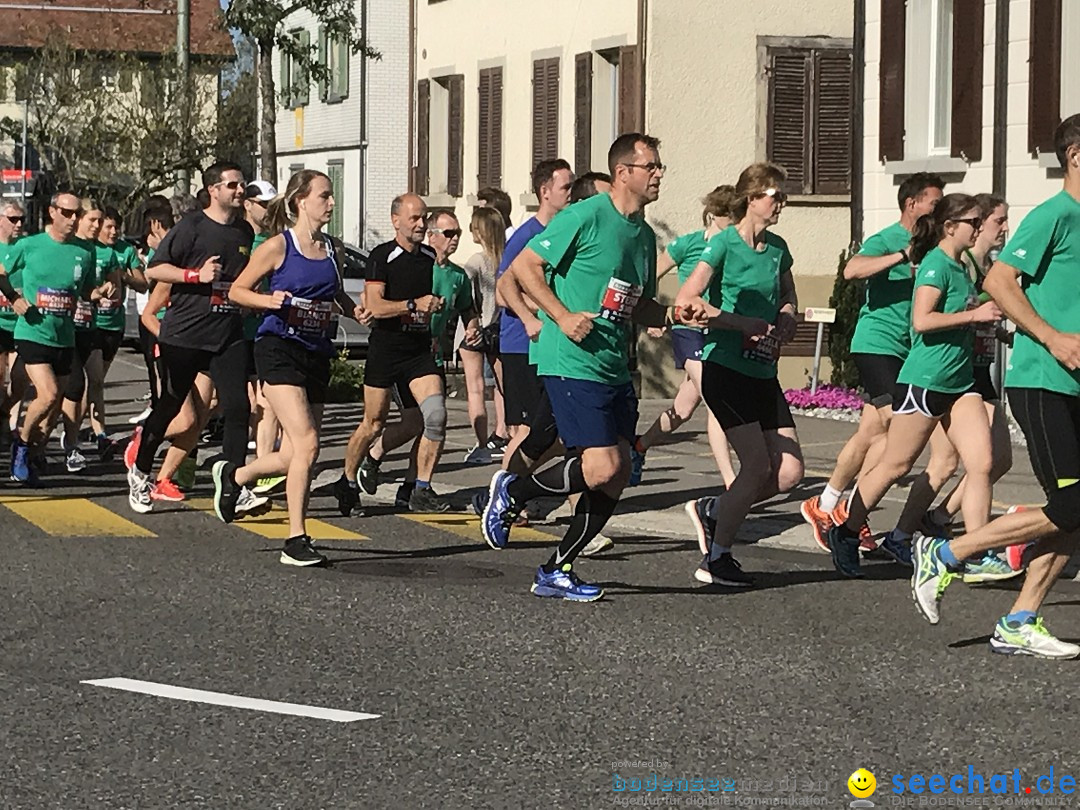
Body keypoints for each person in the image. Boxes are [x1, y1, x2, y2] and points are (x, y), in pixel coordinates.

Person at [481, 133, 690, 601]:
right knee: (601, 466)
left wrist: (676, 316)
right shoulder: (586, 215)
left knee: (617, 473)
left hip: (613, 363)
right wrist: (559, 315)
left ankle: (556, 569)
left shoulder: (642, 234)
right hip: (570, 359)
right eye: (651, 166)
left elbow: (636, 305)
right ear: (624, 173)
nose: (658, 174)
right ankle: (514, 493)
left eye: (660, 167)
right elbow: (524, 269)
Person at [910, 115, 1080, 659]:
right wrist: (1052, 336)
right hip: (1044, 379)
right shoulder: (1054, 216)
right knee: (1074, 504)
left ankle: (1019, 621)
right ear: (1075, 155)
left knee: (1077, 514)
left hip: (1075, 383)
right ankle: (948, 552)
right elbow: (998, 280)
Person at [827, 194, 1001, 580]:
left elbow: (965, 313)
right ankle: (846, 529)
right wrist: (973, 314)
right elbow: (921, 321)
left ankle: (975, 551)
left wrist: (988, 320)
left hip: (960, 382)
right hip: (925, 380)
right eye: (974, 221)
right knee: (896, 464)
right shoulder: (936, 266)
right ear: (950, 226)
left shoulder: (962, 267)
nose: (979, 228)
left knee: (982, 464)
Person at [216, 170, 362, 564]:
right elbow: (238, 290)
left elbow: (332, 292)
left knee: (297, 452)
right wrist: (270, 302)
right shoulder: (279, 246)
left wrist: (354, 310)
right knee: (309, 443)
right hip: (277, 346)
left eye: (331, 197)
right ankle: (296, 538)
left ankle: (235, 476)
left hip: (317, 348)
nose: (331, 203)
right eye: (324, 196)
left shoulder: (333, 249)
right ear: (300, 201)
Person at [675, 163, 804, 587]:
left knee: (788, 474)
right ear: (751, 199)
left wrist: (787, 315)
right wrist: (738, 322)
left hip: (762, 369)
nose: (781, 203)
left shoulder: (778, 248)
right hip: (725, 368)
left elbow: (787, 293)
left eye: (783, 196)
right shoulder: (723, 245)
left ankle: (714, 510)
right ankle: (716, 558)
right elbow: (687, 300)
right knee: (755, 467)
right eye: (774, 195)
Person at [800, 173, 944, 552]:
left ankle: (828, 504)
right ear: (912, 204)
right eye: (933, 202)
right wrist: (902, 256)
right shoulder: (889, 239)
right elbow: (851, 270)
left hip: (910, 349)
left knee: (871, 433)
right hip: (877, 342)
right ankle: (848, 510)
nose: (939, 208)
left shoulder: (936, 248)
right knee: (898, 424)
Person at [127, 161, 264, 515]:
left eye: (242, 185)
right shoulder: (192, 226)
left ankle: (233, 482)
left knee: (238, 407)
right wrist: (194, 275)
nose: (239, 191)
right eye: (232, 185)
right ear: (214, 190)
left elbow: (240, 280)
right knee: (169, 409)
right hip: (185, 336)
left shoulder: (244, 234)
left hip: (226, 335)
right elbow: (155, 268)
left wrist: (248, 297)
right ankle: (140, 471)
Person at [883, 194, 1016, 552]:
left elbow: (975, 311)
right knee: (949, 463)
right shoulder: (959, 261)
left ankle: (940, 524)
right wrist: (977, 318)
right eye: (997, 221)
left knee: (989, 461)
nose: (1004, 229)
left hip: (970, 370)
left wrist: (1001, 331)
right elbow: (931, 316)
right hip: (955, 371)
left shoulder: (980, 264)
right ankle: (892, 530)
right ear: (975, 223)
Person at [334, 193, 451, 516]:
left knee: (434, 417)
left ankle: (418, 489)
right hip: (386, 349)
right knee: (373, 422)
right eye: (414, 218)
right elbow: (374, 305)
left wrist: (435, 309)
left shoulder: (429, 256)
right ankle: (348, 480)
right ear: (396, 220)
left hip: (418, 351)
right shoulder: (382, 256)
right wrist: (412, 305)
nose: (420, 224)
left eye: (424, 218)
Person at [359, 210, 481, 505]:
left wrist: (473, 327)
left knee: (435, 419)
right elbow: (376, 298)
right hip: (402, 352)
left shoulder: (457, 275)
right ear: (432, 236)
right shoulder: (419, 265)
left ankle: (417, 488)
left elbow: (468, 309)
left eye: (458, 235)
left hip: (429, 356)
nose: (454, 240)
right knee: (413, 424)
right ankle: (373, 456)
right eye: (448, 234)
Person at [631, 185, 738, 488]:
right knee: (718, 397)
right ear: (715, 215)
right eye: (732, 216)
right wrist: (653, 316)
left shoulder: (735, 248)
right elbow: (651, 278)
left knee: (682, 409)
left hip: (718, 332)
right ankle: (731, 481)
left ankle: (638, 447)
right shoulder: (686, 245)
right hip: (688, 330)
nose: (738, 222)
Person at [0, 192, 96, 485]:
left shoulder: (85, 251)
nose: (72, 220)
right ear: (51, 212)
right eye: (66, 213)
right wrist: (15, 298)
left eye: (76, 214)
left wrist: (98, 296)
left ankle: (34, 449)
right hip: (32, 331)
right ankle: (22, 442)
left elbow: (85, 292)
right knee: (49, 393)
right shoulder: (29, 246)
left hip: (64, 336)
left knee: (54, 407)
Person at [496, 159, 573, 473]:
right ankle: (504, 493)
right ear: (545, 191)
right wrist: (539, 310)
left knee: (559, 430)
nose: (572, 193)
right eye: (565, 187)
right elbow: (503, 292)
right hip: (521, 345)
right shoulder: (526, 235)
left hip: (550, 345)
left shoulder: (565, 232)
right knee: (526, 431)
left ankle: (535, 492)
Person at [84, 206, 147, 456]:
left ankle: (86, 425)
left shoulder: (124, 251)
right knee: (95, 380)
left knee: (97, 381)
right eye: (107, 226)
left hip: (115, 324)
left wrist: (124, 277)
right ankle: (99, 432)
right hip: (92, 324)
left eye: (115, 226)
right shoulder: (89, 249)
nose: (113, 231)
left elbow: (143, 285)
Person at [241, 181, 285, 496]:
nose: (268, 211)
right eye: (263, 204)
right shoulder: (237, 239)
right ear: (247, 204)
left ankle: (263, 468)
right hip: (233, 331)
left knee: (266, 403)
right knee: (214, 404)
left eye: (272, 206)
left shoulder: (274, 242)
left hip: (264, 332)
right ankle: (185, 453)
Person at [460, 206, 507, 464]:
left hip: (473, 328)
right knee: (502, 387)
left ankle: (481, 444)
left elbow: (465, 294)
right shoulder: (506, 259)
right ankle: (503, 431)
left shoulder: (476, 261)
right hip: (498, 330)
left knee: (475, 388)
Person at [0, 201, 26, 441]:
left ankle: (10, 422)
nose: (18, 224)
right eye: (13, 219)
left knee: (19, 380)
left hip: (19, 324)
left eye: (21, 220)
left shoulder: (25, 248)